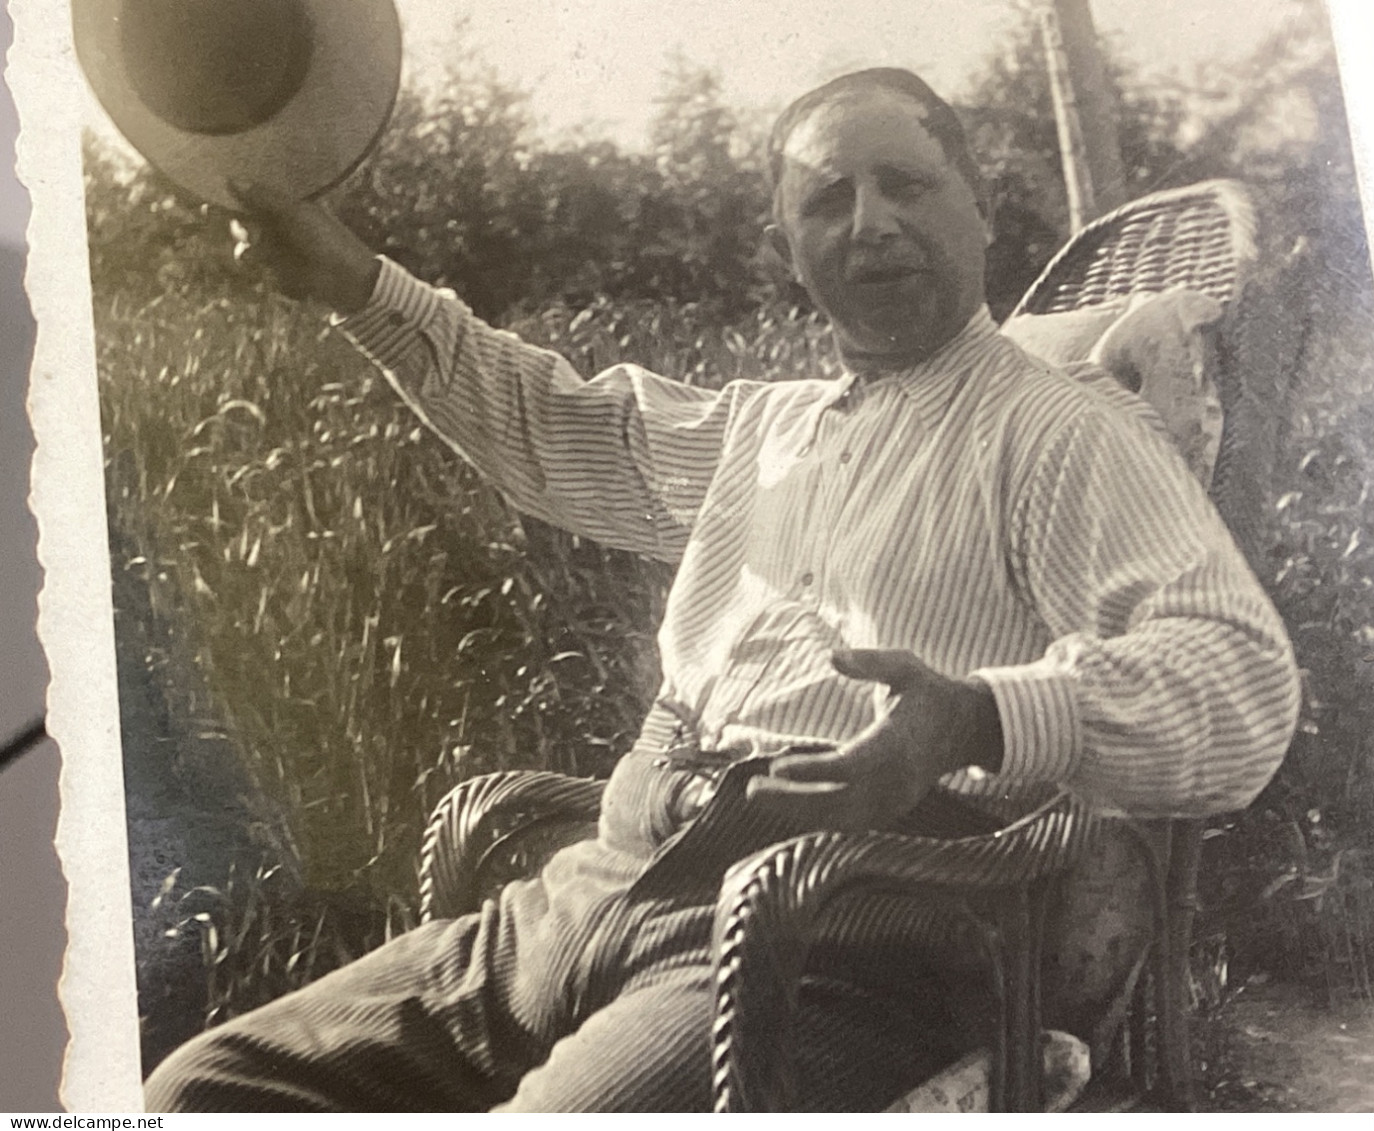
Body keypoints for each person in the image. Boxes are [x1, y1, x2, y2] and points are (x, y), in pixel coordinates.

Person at [145, 68, 1300, 1112]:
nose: (871, 223)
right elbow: (552, 423)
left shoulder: (1060, 434)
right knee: (211, 1083)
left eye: (904, 182)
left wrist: (975, 715)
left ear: (978, 208)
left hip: (842, 932)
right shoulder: (763, 427)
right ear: (785, 248)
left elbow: (1236, 676)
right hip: (595, 889)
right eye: (826, 202)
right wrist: (355, 282)